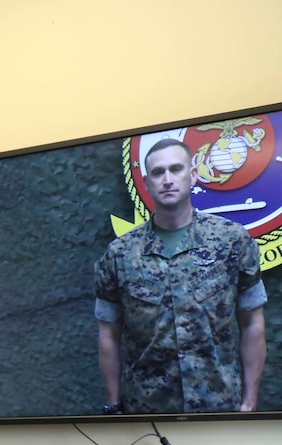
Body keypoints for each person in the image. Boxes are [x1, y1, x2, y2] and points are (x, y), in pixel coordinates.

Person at [94, 137, 267, 415]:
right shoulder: (119, 255)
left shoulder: (232, 241)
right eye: (158, 172)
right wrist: (114, 406)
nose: (168, 179)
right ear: (147, 183)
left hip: (219, 408)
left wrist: (249, 403)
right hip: (146, 414)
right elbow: (109, 335)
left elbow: (253, 323)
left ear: (193, 175)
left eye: (176, 169)